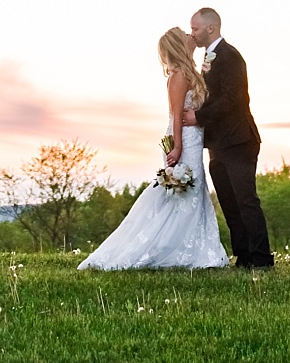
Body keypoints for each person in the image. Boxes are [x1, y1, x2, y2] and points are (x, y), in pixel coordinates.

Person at [77, 27, 228, 270]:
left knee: (193, 191)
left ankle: (194, 248)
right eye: (185, 35)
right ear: (179, 44)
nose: (191, 36)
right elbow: (175, 115)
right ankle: (169, 249)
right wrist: (177, 147)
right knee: (184, 190)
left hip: (194, 137)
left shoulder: (191, 71)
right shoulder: (177, 76)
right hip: (183, 139)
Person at [182, 6, 274, 269]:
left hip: (238, 140)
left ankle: (261, 258)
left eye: (196, 29)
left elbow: (235, 99)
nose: (193, 34)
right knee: (228, 202)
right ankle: (243, 255)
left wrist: (198, 118)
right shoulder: (209, 57)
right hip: (218, 143)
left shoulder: (231, 56)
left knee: (246, 200)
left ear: (211, 28)